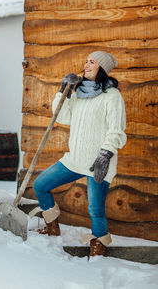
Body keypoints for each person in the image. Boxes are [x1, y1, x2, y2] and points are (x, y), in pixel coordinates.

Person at [30, 51, 127, 257]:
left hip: (98, 161)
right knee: (40, 185)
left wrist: (105, 154)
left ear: (102, 68)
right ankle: (52, 227)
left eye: (92, 62)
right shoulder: (80, 93)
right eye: (86, 61)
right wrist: (63, 90)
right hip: (74, 159)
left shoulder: (112, 96)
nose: (86, 65)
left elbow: (116, 130)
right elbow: (62, 116)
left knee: (95, 209)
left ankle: (99, 245)